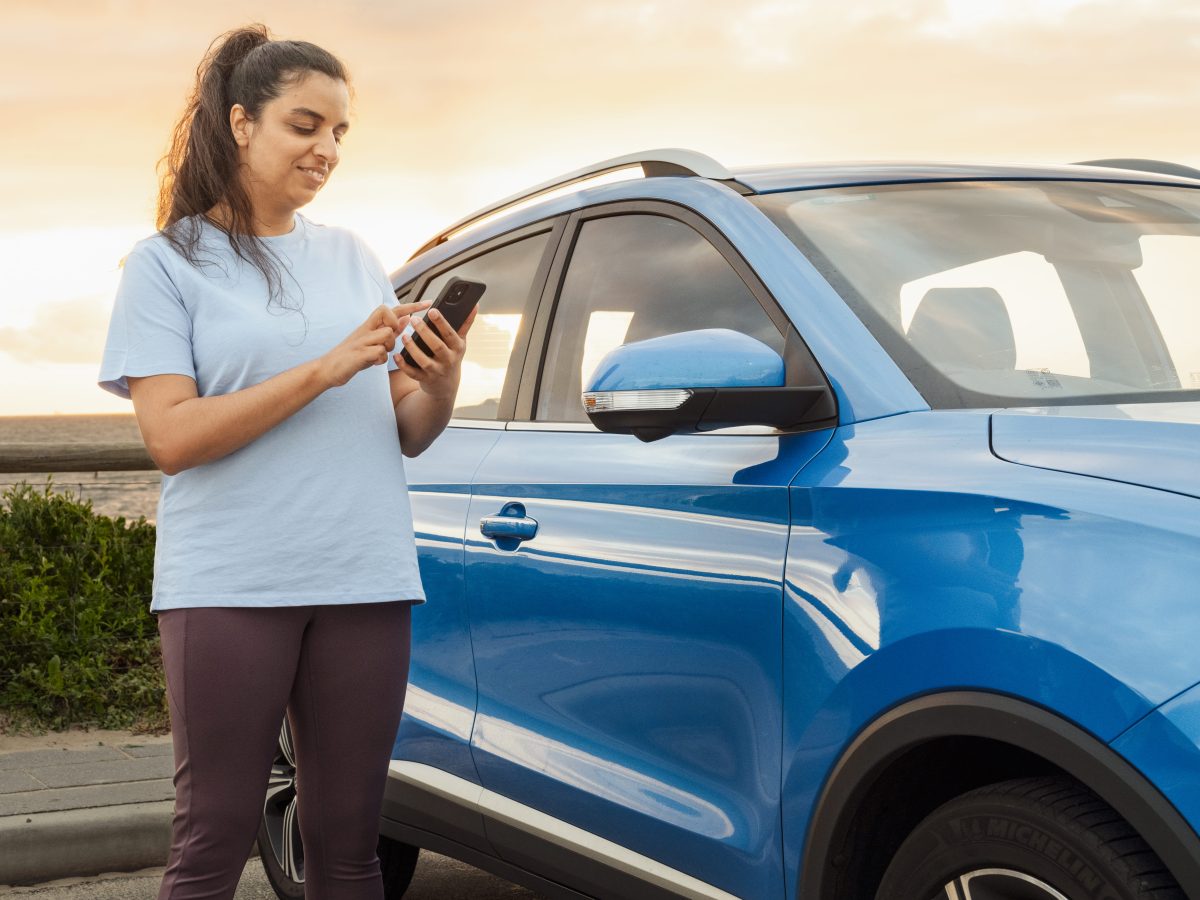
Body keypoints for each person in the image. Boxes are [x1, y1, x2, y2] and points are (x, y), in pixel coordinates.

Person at [96, 24, 473, 900]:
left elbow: (404, 428)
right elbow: (172, 438)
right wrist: (326, 367)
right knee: (212, 846)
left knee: (349, 851)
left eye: (340, 132)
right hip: (230, 585)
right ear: (240, 123)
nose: (327, 149)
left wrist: (441, 379)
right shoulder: (166, 266)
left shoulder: (351, 257)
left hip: (365, 578)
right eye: (306, 125)